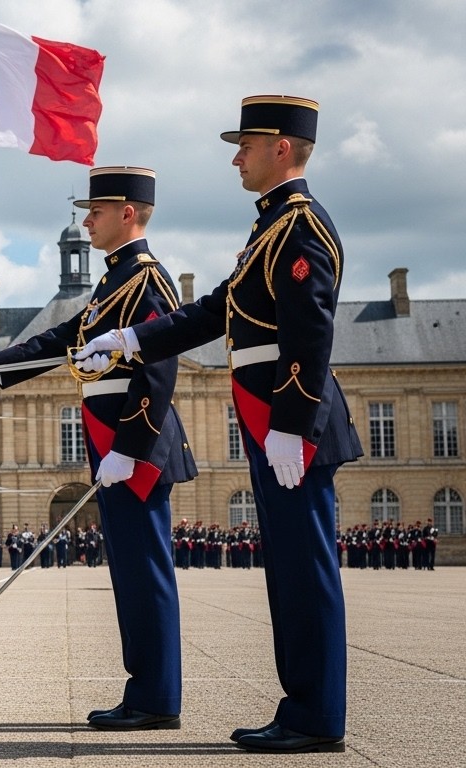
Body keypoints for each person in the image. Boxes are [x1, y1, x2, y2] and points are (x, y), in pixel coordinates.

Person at [76, 96, 359, 754]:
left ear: (281, 148)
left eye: (247, 145)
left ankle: (316, 716)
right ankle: (305, 708)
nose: (237, 157)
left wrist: (292, 421)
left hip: (291, 422)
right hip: (274, 421)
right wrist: (128, 341)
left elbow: (310, 331)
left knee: (305, 570)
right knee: (288, 571)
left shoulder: (300, 227)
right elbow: (212, 314)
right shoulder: (269, 230)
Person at [0, 165, 196, 731]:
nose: (87, 220)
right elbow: (63, 339)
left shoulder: (148, 279)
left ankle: (155, 698)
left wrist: (130, 446)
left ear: (127, 213)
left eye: (96, 211)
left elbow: (158, 369)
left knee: (145, 571)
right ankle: (148, 692)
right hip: (115, 444)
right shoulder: (115, 282)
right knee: (131, 572)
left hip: (135, 447)